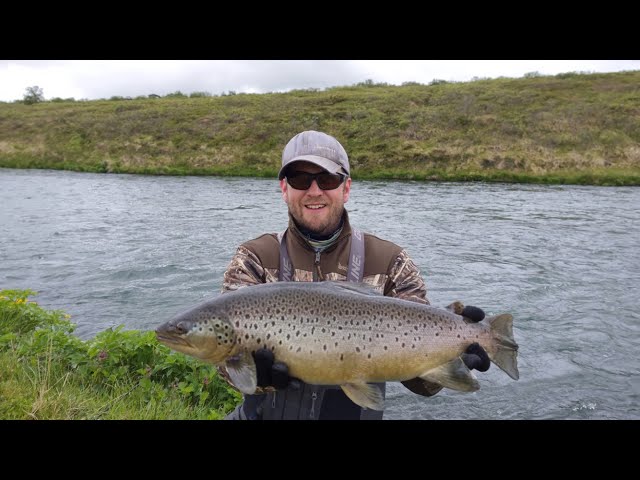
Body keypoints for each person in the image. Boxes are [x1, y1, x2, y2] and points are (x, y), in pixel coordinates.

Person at [221, 130, 490, 420]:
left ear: (346, 188)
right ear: (284, 188)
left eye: (326, 179)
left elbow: (419, 383)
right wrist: (257, 377)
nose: (314, 191)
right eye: (300, 179)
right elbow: (223, 362)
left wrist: (453, 356)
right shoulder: (254, 258)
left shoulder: (391, 262)